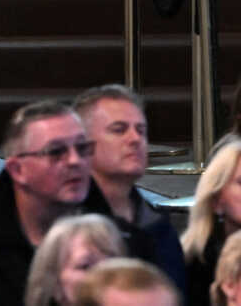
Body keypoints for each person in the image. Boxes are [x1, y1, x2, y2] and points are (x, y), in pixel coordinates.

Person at [0, 102, 148, 306]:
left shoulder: (130, 243)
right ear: (18, 170)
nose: (75, 161)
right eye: (56, 152)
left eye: (82, 148)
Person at [76, 87, 186, 289]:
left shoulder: (158, 225)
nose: (135, 139)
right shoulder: (65, 225)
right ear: (83, 142)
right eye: (119, 129)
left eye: (141, 130)